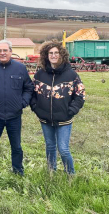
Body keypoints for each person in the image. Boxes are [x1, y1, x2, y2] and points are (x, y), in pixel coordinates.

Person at [0, 39, 34, 180]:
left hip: (14, 115)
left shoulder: (20, 68)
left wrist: (22, 102)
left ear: (10, 52)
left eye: (5, 50)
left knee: (16, 146)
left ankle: (17, 170)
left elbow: (28, 87)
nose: (2, 53)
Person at [30, 41, 85, 174]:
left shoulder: (71, 75)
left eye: (56, 53)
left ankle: (70, 175)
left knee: (63, 149)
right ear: (46, 55)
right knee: (50, 147)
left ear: (61, 55)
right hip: (45, 119)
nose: (53, 55)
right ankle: (51, 172)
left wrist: (71, 111)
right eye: (50, 53)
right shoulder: (40, 74)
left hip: (64, 119)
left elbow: (80, 95)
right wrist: (36, 108)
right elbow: (31, 93)